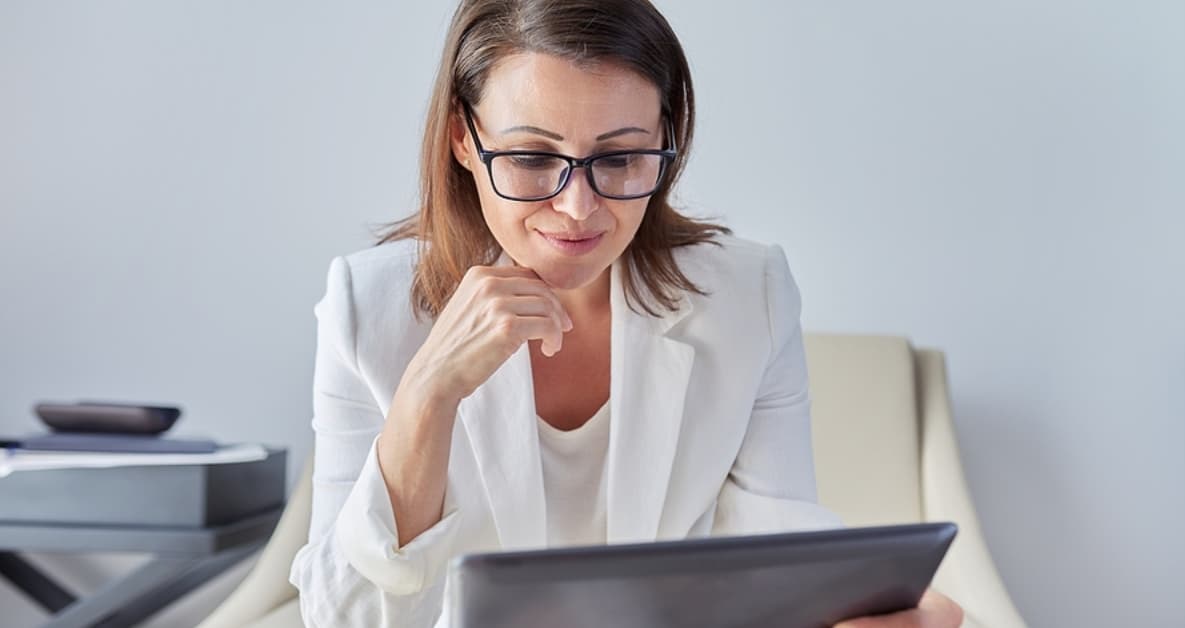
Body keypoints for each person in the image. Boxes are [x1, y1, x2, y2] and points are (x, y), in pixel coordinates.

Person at [289, 1, 965, 627]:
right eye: (530, 157)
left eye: (618, 158)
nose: (579, 207)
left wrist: (873, 610)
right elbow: (344, 617)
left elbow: (777, 552)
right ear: (463, 140)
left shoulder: (748, 294)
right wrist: (427, 396)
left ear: (666, 139)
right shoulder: (367, 309)